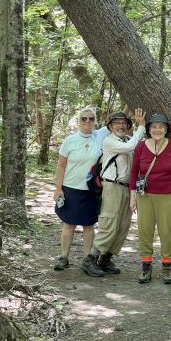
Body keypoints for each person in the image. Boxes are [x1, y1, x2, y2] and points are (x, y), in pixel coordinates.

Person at [82, 108, 146, 277]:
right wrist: (142, 126)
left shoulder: (128, 139)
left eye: (123, 123)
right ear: (110, 127)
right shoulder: (110, 141)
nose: (120, 126)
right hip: (111, 187)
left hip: (127, 188)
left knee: (123, 225)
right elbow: (131, 147)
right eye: (116, 123)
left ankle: (106, 258)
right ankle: (90, 259)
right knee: (109, 223)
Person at [130, 113, 171, 284]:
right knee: (145, 230)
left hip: (169, 195)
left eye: (161, 127)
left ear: (166, 129)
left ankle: (167, 267)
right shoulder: (141, 146)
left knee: (166, 231)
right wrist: (132, 197)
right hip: (144, 195)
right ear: (149, 129)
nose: (157, 129)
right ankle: (146, 267)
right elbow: (134, 172)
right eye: (154, 126)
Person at [53, 105, 111, 270]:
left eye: (91, 119)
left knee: (88, 225)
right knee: (68, 225)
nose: (87, 121)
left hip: (91, 189)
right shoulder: (69, 140)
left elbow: (117, 119)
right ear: (79, 121)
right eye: (84, 118)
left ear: (95, 121)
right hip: (70, 188)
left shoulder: (99, 136)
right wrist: (58, 188)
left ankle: (87, 260)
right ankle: (63, 257)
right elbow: (61, 166)